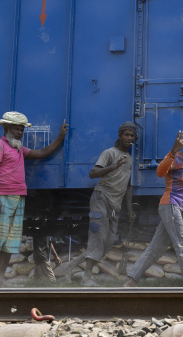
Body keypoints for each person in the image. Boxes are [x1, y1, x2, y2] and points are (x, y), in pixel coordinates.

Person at [124, 125, 183, 287]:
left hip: (176, 208)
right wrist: (173, 151)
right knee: (182, 244)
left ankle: (131, 281)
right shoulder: (176, 159)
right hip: (170, 205)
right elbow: (160, 171)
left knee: (156, 248)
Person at [61, 122, 137, 286]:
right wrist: (113, 166)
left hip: (115, 206)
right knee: (98, 238)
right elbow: (93, 173)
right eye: (127, 134)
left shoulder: (130, 159)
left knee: (108, 243)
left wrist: (130, 210)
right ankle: (87, 278)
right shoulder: (110, 153)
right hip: (101, 198)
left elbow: (128, 186)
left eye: (132, 136)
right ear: (120, 136)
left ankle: (70, 266)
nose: (129, 138)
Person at [0, 111, 68, 287]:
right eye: (16, 129)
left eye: (22, 130)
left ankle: (0, 279)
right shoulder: (1, 146)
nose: (20, 133)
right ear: (6, 128)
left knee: (8, 242)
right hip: (3, 198)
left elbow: (43, 152)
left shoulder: (19, 149)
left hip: (17, 198)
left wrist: (60, 137)